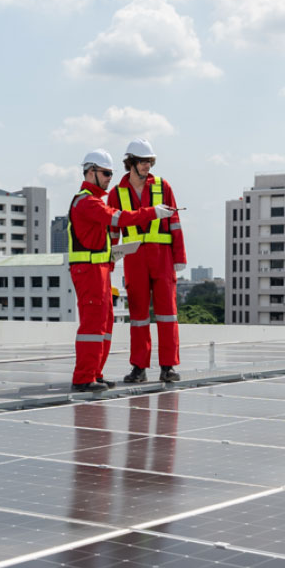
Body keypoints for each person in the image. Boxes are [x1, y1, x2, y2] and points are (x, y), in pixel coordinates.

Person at [68, 149, 171, 393]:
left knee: (103, 326)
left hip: (100, 270)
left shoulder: (93, 201)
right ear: (91, 171)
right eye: (105, 173)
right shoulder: (86, 201)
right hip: (89, 271)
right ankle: (83, 377)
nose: (108, 179)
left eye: (111, 174)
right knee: (93, 326)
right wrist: (152, 212)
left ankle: (94, 373)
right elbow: (119, 219)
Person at [108, 138, 186, 384]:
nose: (147, 167)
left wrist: (179, 257)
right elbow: (112, 231)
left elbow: (175, 223)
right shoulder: (116, 193)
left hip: (162, 256)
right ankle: (139, 368)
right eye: (142, 162)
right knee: (139, 315)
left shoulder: (164, 187)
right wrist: (110, 260)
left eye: (149, 162)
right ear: (130, 163)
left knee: (167, 314)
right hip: (134, 258)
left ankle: (168, 367)